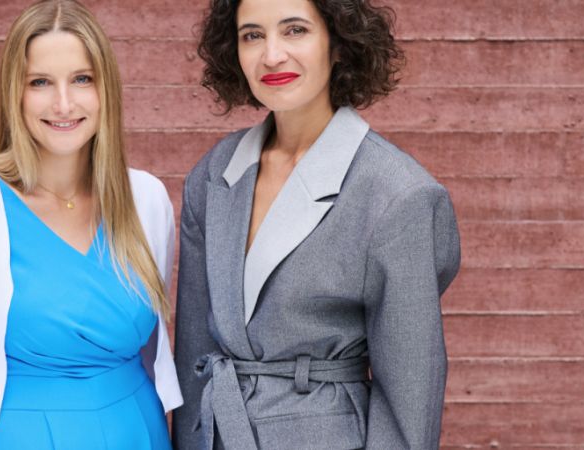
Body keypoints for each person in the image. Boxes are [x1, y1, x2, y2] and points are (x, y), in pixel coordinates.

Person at [0, 1, 182, 449]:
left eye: (82, 79)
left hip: (136, 430)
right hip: (14, 435)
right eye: (40, 82)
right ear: (15, 93)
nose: (63, 103)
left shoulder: (146, 200)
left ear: (107, 90)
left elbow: (150, 351)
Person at [172, 0, 461, 448]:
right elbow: (194, 357)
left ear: (339, 43)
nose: (271, 55)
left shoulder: (397, 194)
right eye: (252, 35)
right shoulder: (214, 174)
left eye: (294, 30)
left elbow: (410, 404)